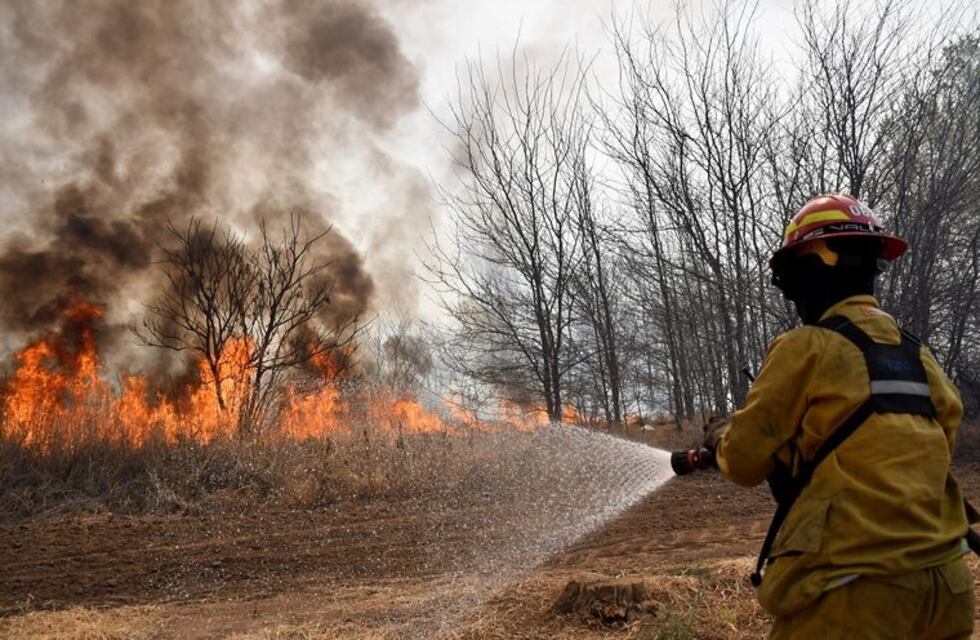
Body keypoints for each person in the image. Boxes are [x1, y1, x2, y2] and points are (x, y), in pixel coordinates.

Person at [703, 193, 975, 639]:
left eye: (789, 281)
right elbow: (935, 439)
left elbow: (745, 461)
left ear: (812, 270)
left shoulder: (805, 347)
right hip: (946, 587)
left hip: (853, 592)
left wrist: (720, 438)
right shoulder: (918, 355)